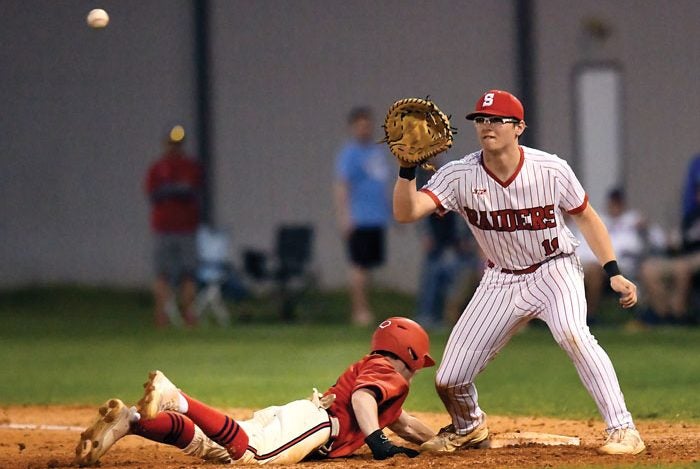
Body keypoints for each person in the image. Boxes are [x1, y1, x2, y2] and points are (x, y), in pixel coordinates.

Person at [392, 90, 645, 455]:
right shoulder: (459, 174)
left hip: (554, 269)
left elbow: (586, 217)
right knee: (449, 378)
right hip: (500, 278)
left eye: (496, 119)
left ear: (519, 127)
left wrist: (612, 270)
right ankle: (468, 427)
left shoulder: (550, 168)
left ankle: (624, 430)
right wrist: (406, 170)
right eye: (481, 120)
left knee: (574, 334)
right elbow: (407, 212)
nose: (486, 126)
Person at [74, 317, 436, 466]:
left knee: (213, 446)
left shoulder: (375, 373)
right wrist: (378, 442)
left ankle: (133, 421)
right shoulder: (390, 372)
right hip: (317, 426)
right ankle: (177, 398)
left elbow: (403, 424)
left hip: (301, 416)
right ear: (409, 354)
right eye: (418, 362)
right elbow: (361, 401)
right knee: (254, 455)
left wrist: (442, 440)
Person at [334, 107, 392, 326]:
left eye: (367, 125)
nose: (364, 129)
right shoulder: (349, 154)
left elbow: (382, 185)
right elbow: (341, 186)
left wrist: (392, 212)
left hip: (377, 218)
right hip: (359, 218)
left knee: (369, 267)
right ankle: (359, 311)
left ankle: (368, 308)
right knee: (358, 266)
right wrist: (345, 217)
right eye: (360, 126)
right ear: (353, 128)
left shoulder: (376, 153)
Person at [145, 125, 203, 327]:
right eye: (171, 143)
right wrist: (176, 190)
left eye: (178, 144)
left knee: (189, 273)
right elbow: (154, 195)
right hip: (163, 228)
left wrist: (172, 190)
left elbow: (192, 191)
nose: (174, 147)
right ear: (165, 144)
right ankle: (161, 316)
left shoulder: (191, 167)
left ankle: (189, 315)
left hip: (186, 228)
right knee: (163, 273)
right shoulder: (157, 168)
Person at [575, 187, 663, 320]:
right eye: (613, 202)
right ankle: (589, 317)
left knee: (648, 271)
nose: (615, 206)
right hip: (604, 266)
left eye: (618, 203)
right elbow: (582, 248)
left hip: (631, 265)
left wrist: (646, 228)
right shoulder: (599, 219)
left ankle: (659, 316)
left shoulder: (633, 219)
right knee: (593, 271)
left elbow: (659, 241)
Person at [640, 184, 700, 324]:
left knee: (682, 268)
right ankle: (662, 313)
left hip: (694, 258)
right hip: (682, 256)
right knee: (648, 269)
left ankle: (678, 313)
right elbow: (678, 242)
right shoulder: (690, 217)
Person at [416, 210, 480, 330]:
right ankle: (427, 316)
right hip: (438, 244)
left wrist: (466, 240)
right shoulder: (431, 194)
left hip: (458, 247)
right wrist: (426, 234)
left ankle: (448, 318)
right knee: (432, 280)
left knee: (456, 284)